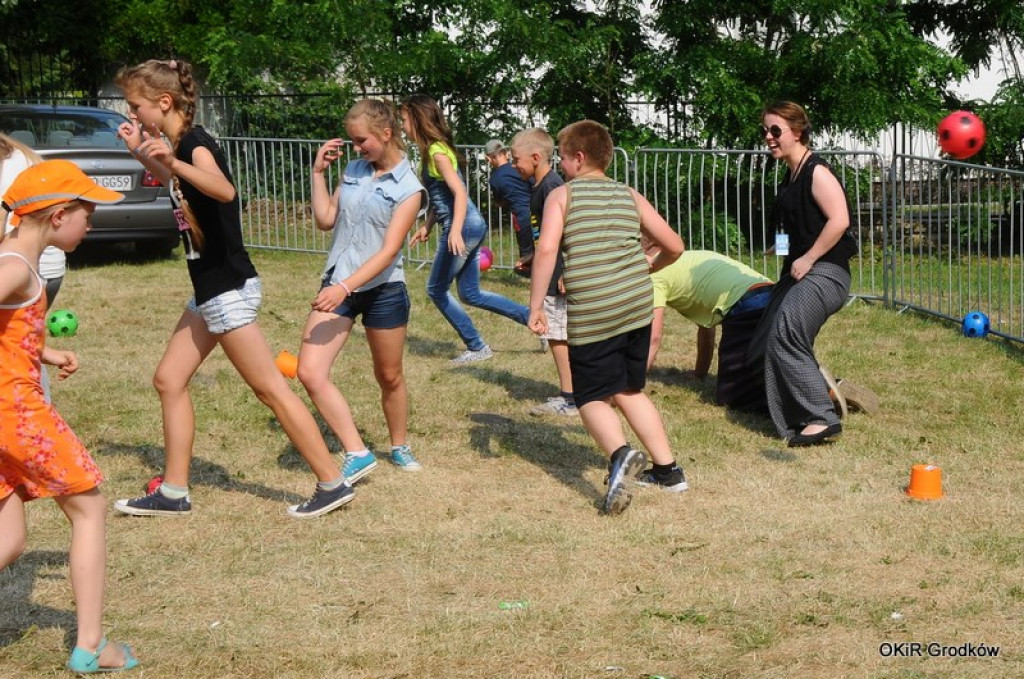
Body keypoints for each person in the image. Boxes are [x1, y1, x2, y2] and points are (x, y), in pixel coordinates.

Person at [110, 59, 352, 518]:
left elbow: (223, 191)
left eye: (136, 105)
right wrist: (142, 153)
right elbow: (179, 186)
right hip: (210, 290)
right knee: (169, 379)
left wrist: (173, 158)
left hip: (226, 289)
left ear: (164, 102)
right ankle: (174, 491)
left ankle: (332, 482)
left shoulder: (195, 143)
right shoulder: (177, 145)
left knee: (271, 390)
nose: (132, 113)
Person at [0, 160, 139, 673]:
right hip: (16, 414)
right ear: (59, 216)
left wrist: (43, 353)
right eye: (87, 212)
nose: (92, 223)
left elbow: (6, 332)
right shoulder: (15, 265)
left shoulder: (16, 259)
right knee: (89, 509)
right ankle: (91, 645)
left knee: (9, 537)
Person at [528, 120, 687, 515]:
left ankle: (620, 455)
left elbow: (547, 250)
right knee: (628, 389)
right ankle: (669, 472)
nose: (560, 165)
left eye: (562, 158)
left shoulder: (562, 196)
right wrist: (647, 265)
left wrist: (535, 306)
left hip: (595, 310)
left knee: (590, 395)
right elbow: (674, 246)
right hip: (636, 306)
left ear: (578, 158)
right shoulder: (628, 194)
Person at [297, 99, 425, 481]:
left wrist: (345, 288)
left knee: (389, 376)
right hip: (338, 282)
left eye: (361, 141)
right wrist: (318, 173)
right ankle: (357, 451)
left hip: (383, 289)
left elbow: (389, 252)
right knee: (310, 371)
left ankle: (399, 445)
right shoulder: (353, 170)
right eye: (353, 142)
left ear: (386, 134)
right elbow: (325, 219)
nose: (356, 149)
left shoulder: (410, 188)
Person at [752, 101, 858, 447]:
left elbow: (839, 220)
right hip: (802, 272)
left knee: (786, 331)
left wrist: (809, 257)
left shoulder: (816, 172)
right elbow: (791, 226)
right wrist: (780, 250)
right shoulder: (790, 176)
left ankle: (820, 418)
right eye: (765, 131)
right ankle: (823, 388)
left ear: (797, 132)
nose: (768, 137)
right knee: (764, 339)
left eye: (775, 130)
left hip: (826, 273)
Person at [401, 94, 529, 364]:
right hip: (471, 224)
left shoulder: (436, 153)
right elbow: (442, 196)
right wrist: (428, 225)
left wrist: (455, 230)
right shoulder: (434, 150)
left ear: (417, 120)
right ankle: (534, 319)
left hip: (463, 227)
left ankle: (477, 346)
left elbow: (459, 192)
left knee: (436, 289)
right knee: (471, 293)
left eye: (404, 120)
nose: (403, 126)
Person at [648, 249, 774, 413]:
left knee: (731, 396)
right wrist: (700, 372)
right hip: (771, 294)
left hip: (746, 305)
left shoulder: (654, 275)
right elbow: (706, 328)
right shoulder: (689, 258)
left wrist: (629, 387)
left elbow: (653, 338)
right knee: (767, 358)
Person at [509, 127, 575, 416]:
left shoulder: (552, 186)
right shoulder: (539, 186)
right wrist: (532, 257)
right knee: (556, 333)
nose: (513, 165)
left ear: (535, 157)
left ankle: (571, 397)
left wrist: (565, 268)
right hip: (548, 269)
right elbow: (545, 234)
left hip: (557, 274)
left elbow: (569, 231)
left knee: (558, 334)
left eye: (515, 160)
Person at [1, 133, 67, 403]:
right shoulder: (19, 155)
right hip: (45, 269)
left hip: (25, 270)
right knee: (21, 341)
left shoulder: (10, 164)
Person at [483, 138, 534, 274]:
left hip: (520, 215)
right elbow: (534, 184)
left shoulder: (495, 178)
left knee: (526, 252)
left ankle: (532, 277)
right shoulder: (520, 169)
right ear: (506, 153)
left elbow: (500, 202)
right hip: (536, 212)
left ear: (488, 158)